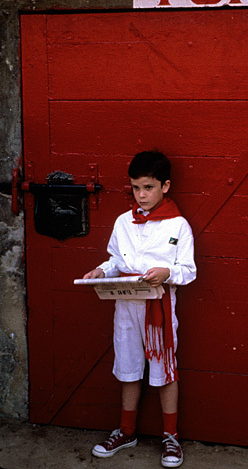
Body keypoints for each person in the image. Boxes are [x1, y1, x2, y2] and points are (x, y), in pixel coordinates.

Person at [82, 150, 197, 468]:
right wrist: (102, 272)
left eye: (148, 187)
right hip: (126, 305)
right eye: (135, 188)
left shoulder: (178, 226)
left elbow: (188, 270)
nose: (141, 195)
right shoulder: (123, 222)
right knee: (128, 366)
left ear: (165, 186)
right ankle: (127, 430)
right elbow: (116, 261)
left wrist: (167, 273)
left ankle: (170, 435)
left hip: (158, 306)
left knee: (164, 370)